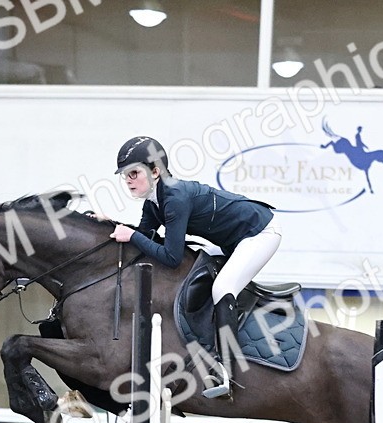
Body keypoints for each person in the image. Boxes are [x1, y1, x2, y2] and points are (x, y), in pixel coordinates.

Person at [109, 136, 281, 398]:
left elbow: (171, 257)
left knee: (223, 287)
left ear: (155, 172)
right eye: (125, 176)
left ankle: (226, 370)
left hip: (259, 232)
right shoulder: (153, 203)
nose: (128, 180)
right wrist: (107, 225)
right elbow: (144, 238)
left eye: (134, 173)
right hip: (233, 241)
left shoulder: (175, 197)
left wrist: (131, 236)